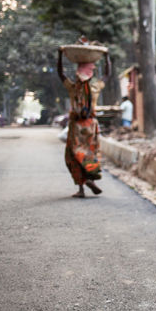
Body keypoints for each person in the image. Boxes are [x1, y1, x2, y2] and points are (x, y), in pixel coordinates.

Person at [57, 46, 111, 198]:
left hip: (76, 127)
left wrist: (60, 55)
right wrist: (107, 56)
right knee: (89, 154)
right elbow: (107, 74)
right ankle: (89, 179)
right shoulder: (94, 88)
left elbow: (60, 73)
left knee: (73, 155)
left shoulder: (73, 88)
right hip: (91, 126)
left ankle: (82, 187)